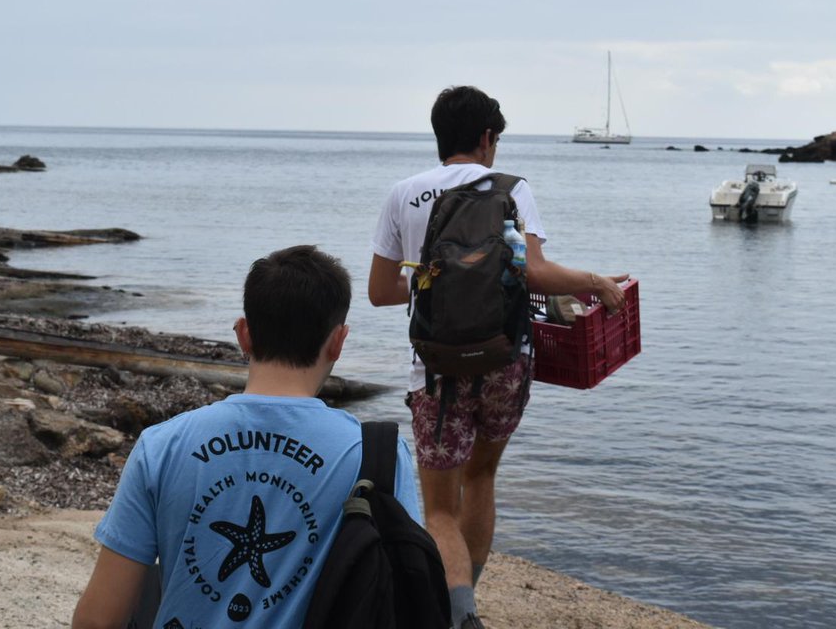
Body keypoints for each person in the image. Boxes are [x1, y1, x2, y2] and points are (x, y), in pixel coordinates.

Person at [368, 86, 627, 629]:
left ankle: (456, 611)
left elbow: (379, 291)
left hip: (435, 369)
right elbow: (534, 271)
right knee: (481, 477)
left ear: (441, 136)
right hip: (503, 362)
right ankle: (470, 601)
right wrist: (594, 281)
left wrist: (426, 283)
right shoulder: (511, 188)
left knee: (438, 506)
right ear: (487, 138)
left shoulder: (403, 194)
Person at [73, 245, 420, 629]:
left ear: (244, 334)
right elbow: (409, 592)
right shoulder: (376, 454)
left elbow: (97, 620)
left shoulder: (162, 445)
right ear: (338, 340)